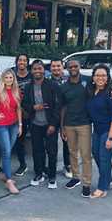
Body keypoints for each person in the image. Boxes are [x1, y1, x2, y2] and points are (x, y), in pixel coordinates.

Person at [86, 64, 112, 199]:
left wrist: (111, 138)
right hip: (98, 130)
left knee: (104, 158)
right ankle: (108, 179)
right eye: (97, 75)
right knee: (96, 154)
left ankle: (102, 187)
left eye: (103, 75)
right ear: (93, 78)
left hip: (110, 130)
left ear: (107, 78)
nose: (100, 78)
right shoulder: (91, 91)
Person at [23, 60, 60, 189]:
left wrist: (53, 125)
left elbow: (57, 107)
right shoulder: (28, 86)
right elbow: (25, 104)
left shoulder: (52, 85)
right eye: (34, 69)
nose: (37, 71)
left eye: (40, 68)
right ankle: (38, 174)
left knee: (52, 151)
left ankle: (52, 176)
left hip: (50, 124)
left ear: (44, 70)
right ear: (31, 71)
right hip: (35, 124)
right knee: (37, 151)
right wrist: (34, 107)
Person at [60, 59, 92, 197]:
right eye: (70, 66)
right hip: (69, 124)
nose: (73, 68)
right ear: (67, 69)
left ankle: (87, 183)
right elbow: (63, 107)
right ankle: (75, 177)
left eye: (75, 66)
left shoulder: (88, 81)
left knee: (85, 155)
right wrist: (62, 127)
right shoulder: (64, 86)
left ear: (79, 67)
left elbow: (102, 88)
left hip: (84, 123)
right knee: (72, 152)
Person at [50, 57, 72, 179]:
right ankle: (50, 166)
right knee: (51, 144)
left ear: (62, 67)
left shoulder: (69, 80)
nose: (56, 68)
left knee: (67, 142)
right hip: (52, 116)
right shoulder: (47, 80)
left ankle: (67, 165)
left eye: (58, 66)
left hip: (67, 116)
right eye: (53, 66)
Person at [12, 53, 32, 176]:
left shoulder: (32, 76)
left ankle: (41, 168)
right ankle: (22, 165)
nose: (22, 62)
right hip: (18, 113)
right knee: (20, 141)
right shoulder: (12, 76)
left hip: (33, 111)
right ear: (17, 62)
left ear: (27, 62)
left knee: (37, 140)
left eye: (25, 60)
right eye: (20, 60)